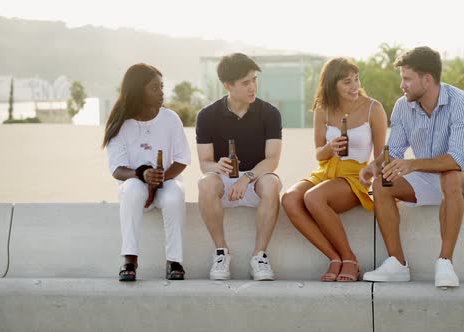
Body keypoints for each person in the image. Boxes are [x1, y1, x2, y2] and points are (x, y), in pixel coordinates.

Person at [360, 47, 464, 287]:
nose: (402, 85)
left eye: (407, 78)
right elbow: (395, 150)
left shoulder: (462, 102)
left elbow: (456, 160)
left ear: (427, 80)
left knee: (450, 177)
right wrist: (374, 166)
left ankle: (445, 263)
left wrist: (412, 165)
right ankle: (397, 264)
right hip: (430, 179)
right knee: (382, 184)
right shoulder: (403, 106)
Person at [281, 58, 387, 282]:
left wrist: (377, 183)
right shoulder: (323, 109)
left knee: (314, 198)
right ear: (332, 85)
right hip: (326, 170)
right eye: (347, 82)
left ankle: (350, 258)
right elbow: (319, 154)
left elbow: (380, 157)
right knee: (290, 199)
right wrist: (329, 147)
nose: (354, 86)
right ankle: (334, 257)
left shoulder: (373, 108)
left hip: (355, 175)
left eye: (356, 79)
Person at [196, 53, 282, 281]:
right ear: (227, 85)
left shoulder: (270, 113)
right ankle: (221, 253)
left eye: (254, 80)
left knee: (272, 182)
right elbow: (204, 163)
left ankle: (260, 257)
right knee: (205, 183)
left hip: (256, 181)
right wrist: (217, 166)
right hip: (224, 183)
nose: (253, 86)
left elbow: (272, 160)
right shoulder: (206, 116)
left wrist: (247, 179)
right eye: (246, 82)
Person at [103, 63, 191, 281]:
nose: (161, 92)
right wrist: (142, 175)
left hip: (167, 180)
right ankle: (129, 260)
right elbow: (117, 169)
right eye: (154, 88)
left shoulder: (170, 119)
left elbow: (182, 159)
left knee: (175, 194)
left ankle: (174, 261)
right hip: (134, 182)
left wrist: (160, 180)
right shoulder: (120, 123)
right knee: (133, 188)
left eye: (161, 87)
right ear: (137, 91)